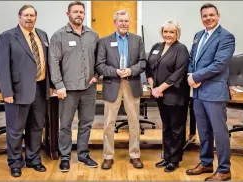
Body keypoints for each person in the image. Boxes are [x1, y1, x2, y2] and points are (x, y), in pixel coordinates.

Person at [0, 4, 52, 177]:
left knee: (36, 127)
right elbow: (2, 66)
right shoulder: (7, 36)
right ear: (19, 17)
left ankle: (33, 159)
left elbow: (45, 62)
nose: (29, 18)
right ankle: (15, 162)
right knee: (15, 129)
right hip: (18, 91)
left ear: (36, 17)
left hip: (40, 88)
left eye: (32, 15)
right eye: (26, 15)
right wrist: (7, 92)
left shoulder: (42, 34)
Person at [186, 3, 235, 181]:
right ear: (201, 18)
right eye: (205, 15)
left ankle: (224, 169)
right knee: (203, 130)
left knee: (219, 131)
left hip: (214, 91)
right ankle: (206, 163)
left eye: (211, 15)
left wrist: (197, 77)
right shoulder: (198, 36)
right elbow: (192, 58)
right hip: (198, 92)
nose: (208, 18)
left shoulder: (226, 37)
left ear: (218, 15)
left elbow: (219, 64)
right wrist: (191, 74)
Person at [49, 1, 99, 172]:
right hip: (68, 89)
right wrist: (59, 85)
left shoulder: (93, 35)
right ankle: (65, 157)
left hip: (89, 89)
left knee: (86, 123)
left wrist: (97, 76)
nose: (79, 14)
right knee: (65, 125)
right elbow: (53, 62)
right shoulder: (59, 36)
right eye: (75, 12)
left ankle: (83, 154)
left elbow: (100, 60)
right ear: (68, 14)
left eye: (81, 12)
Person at [96, 9, 146, 170]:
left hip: (132, 84)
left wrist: (131, 70)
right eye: (120, 20)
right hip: (113, 84)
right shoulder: (104, 41)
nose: (123, 23)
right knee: (109, 123)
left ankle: (135, 155)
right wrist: (115, 71)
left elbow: (143, 62)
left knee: (134, 122)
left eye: (126, 21)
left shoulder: (137, 40)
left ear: (129, 22)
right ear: (115, 22)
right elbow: (100, 65)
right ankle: (108, 156)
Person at [145, 20, 190, 172]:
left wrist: (161, 88)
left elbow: (179, 72)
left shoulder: (181, 49)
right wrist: (153, 87)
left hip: (175, 94)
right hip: (159, 94)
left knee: (176, 127)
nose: (168, 35)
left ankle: (175, 160)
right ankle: (166, 157)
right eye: (165, 31)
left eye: (171, 32)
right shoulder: (157, 47)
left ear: (177, 33)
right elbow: (148, 68)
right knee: (166, 126)